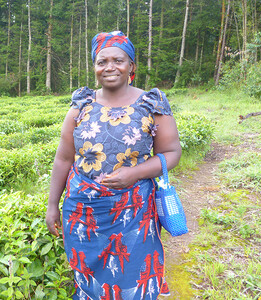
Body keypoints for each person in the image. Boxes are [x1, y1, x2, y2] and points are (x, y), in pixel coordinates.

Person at [45, 31, 182, 299]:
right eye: (101, 61)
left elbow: (172, 153)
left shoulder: (151, 103)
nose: (109, 67)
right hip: (82, 212)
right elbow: (63, 158)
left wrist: (135, 174)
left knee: (133, 276)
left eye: (118, 60)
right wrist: (52, 205)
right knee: (88, 277)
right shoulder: (81, 105)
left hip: (133, 213)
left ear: (131, 66)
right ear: (95, 67)